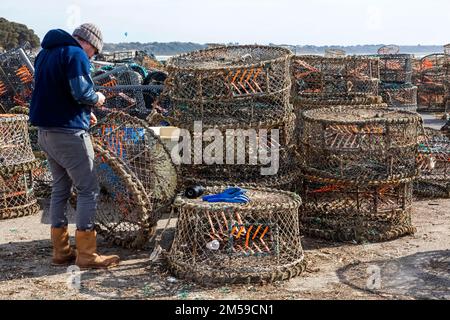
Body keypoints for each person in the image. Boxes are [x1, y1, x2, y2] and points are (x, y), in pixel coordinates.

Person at [30, 23, 120, 269]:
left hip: (45, 133)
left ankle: (61, 251)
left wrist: (82, 112)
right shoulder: (76, 54)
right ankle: (87, 255)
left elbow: (54, 93)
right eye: (96, 52)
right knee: (88, 189)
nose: (93, 57)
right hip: (69, 135)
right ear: (89, 43)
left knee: (60, 188)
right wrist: (97, 99)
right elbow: (81, 92)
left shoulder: (45, 53)